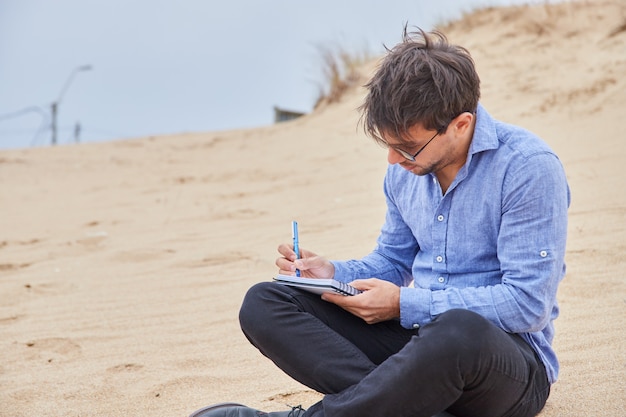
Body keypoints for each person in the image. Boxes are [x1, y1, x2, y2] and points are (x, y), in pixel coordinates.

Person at [189, 27, 569, 417]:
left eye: (406, 146)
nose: (393, 160)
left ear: (461, 123)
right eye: (387, 145)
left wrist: (404, 303)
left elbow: (527, 304)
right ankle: (404, 404)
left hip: (503, 365)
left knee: (457, 330)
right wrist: (330, 272)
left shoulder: (527, 168)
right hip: (417, 347)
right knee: (264, 303)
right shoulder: (406, 170)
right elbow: (392, 261)